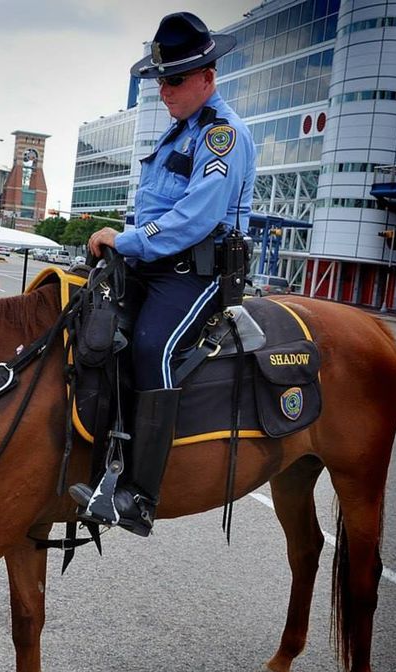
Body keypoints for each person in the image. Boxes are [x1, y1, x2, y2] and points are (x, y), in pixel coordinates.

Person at [69, 11, 257, 537]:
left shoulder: (222, 137)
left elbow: (195, 218)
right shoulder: (180, 134)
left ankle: (139, 496)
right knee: (93, 331)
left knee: (152, 346)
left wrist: (123, 241)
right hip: (153, 267)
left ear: (207, 76)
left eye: (174, 80)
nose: (164, 90)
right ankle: (101, 459)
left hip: (196, 275)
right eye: (159, 81)